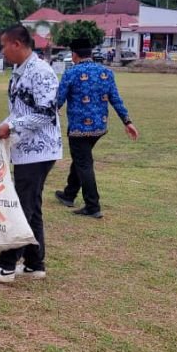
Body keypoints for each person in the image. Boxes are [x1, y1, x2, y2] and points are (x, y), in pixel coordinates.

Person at [0, 24, 62, 283]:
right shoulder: (18, 72)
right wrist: (0, 128)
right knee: (31, 206)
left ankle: (6, 265)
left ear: (16, 44)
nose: (1, 51)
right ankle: (35, 263)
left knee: (20, 207)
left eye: (3, 45)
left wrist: (10, 127)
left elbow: (47, 112)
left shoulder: (41, 72)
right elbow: (19, 111)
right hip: (24, 149)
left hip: (40, 150)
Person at [53, 38, 139, 219]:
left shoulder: (71, 73)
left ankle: (92, 205)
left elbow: (59, 99)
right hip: (99, 127)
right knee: (81, 159)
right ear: (90, 54)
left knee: (84, 163)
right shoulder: (106, 72)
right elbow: (115, 98)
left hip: (79, 128)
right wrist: (127, 121)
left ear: (74, 55)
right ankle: (69, 194)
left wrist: (52, 111)